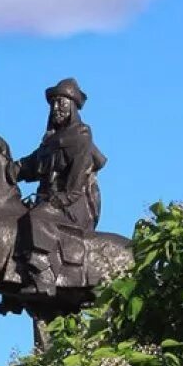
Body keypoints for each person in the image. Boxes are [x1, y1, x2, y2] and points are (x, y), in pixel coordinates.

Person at [12, 77, 107, 296]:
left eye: (61, 103)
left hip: (73, 202)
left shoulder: (81, 135)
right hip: (49, 200)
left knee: (36, 218)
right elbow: (34, 163)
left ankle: (44, 275)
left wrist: (60, 199)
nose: (56, 108)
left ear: (72, 105)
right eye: (53, 103)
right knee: (13, 222)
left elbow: (76, 181)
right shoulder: (50, 139)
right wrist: (11, 169)